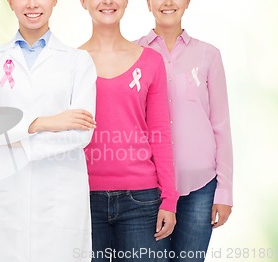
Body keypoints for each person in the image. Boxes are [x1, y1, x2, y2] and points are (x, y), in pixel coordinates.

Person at [0, 0, 97, 261]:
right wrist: (44, 123)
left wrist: (6, 131)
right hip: (3, 199)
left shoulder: (78, 61)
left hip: (58, 200)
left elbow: (81, 132)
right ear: (11, 3)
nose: (32, 4)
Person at [79, 0, 179, 261]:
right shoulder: (71, 63)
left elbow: (160, 134)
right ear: (83, 3)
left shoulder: (151, 62)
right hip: (82, 197)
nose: (108, 2)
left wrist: (169, 199)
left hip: (142, 201)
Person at [135, 0, 233, 261]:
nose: (167, 3)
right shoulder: (133, 53)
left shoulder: (208, 55)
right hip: (148, 189)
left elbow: (220, 124)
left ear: (188, 2)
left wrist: (224, 192)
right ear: (147, 3)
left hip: (200, 187)